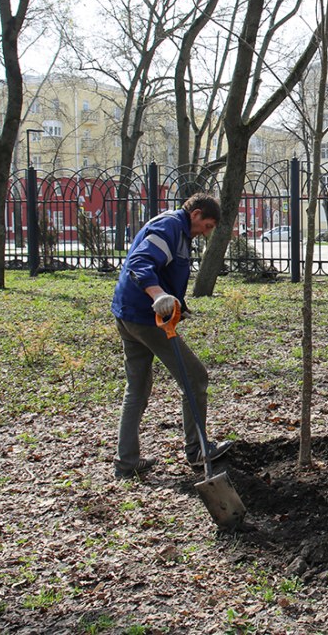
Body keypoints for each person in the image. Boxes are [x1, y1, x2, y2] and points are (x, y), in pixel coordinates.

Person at [110, 193, 233, 479]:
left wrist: (178, 304)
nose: (207, 232)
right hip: (145, 318)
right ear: (196, 214)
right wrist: (158, 295)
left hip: (128, 313)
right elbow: (140, 263)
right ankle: (197, 451)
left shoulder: (176, 229)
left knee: (137, 388)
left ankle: (126, 462)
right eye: (207, 225)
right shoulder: (170, 228)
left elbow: (165, 271)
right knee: (195, 377)